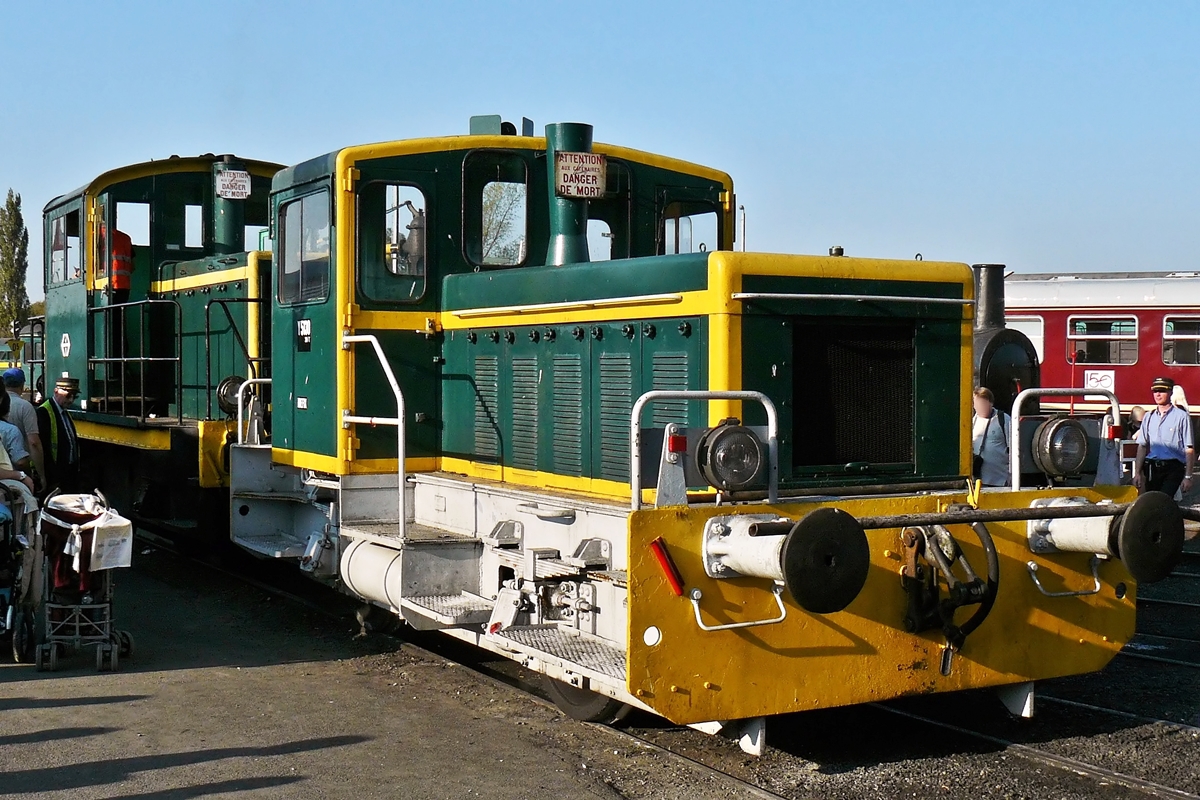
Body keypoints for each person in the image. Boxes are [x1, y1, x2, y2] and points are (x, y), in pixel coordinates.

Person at [1134, 376, 1194, 498]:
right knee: (1152, 500)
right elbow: (1142, 446)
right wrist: (1137, 473)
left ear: (1170, 392)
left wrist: (1188, 477)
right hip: (1152, 467)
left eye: (1162, 391)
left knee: (1163, 498)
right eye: (1155, 391)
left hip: (1173, 467)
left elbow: (1189, 448)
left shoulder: (1182, 417)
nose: (1158, 394)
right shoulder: (1148, 417)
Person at [36, 376, 81, 497]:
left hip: (68, 473)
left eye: (74, 396)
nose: (71, 400)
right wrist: (50, 477)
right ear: (56, 391)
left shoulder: (64, 412)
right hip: (56, 476)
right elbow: (43, 447)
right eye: (68, 395)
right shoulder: (44, 412)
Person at [2, 367, 43, 481]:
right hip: (18, 475)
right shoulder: (26, 407)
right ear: (22, 385)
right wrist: (41, 475)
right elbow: (33, 442)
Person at [971, 386, 1011, 487]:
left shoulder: (1003, 419)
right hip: (976, 481)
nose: (979, 407)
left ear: (991, 403)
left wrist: (1012, 476)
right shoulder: (971, 421)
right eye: (977, 404)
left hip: (1000, 481)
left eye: (983, 403)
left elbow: (1014, 450)